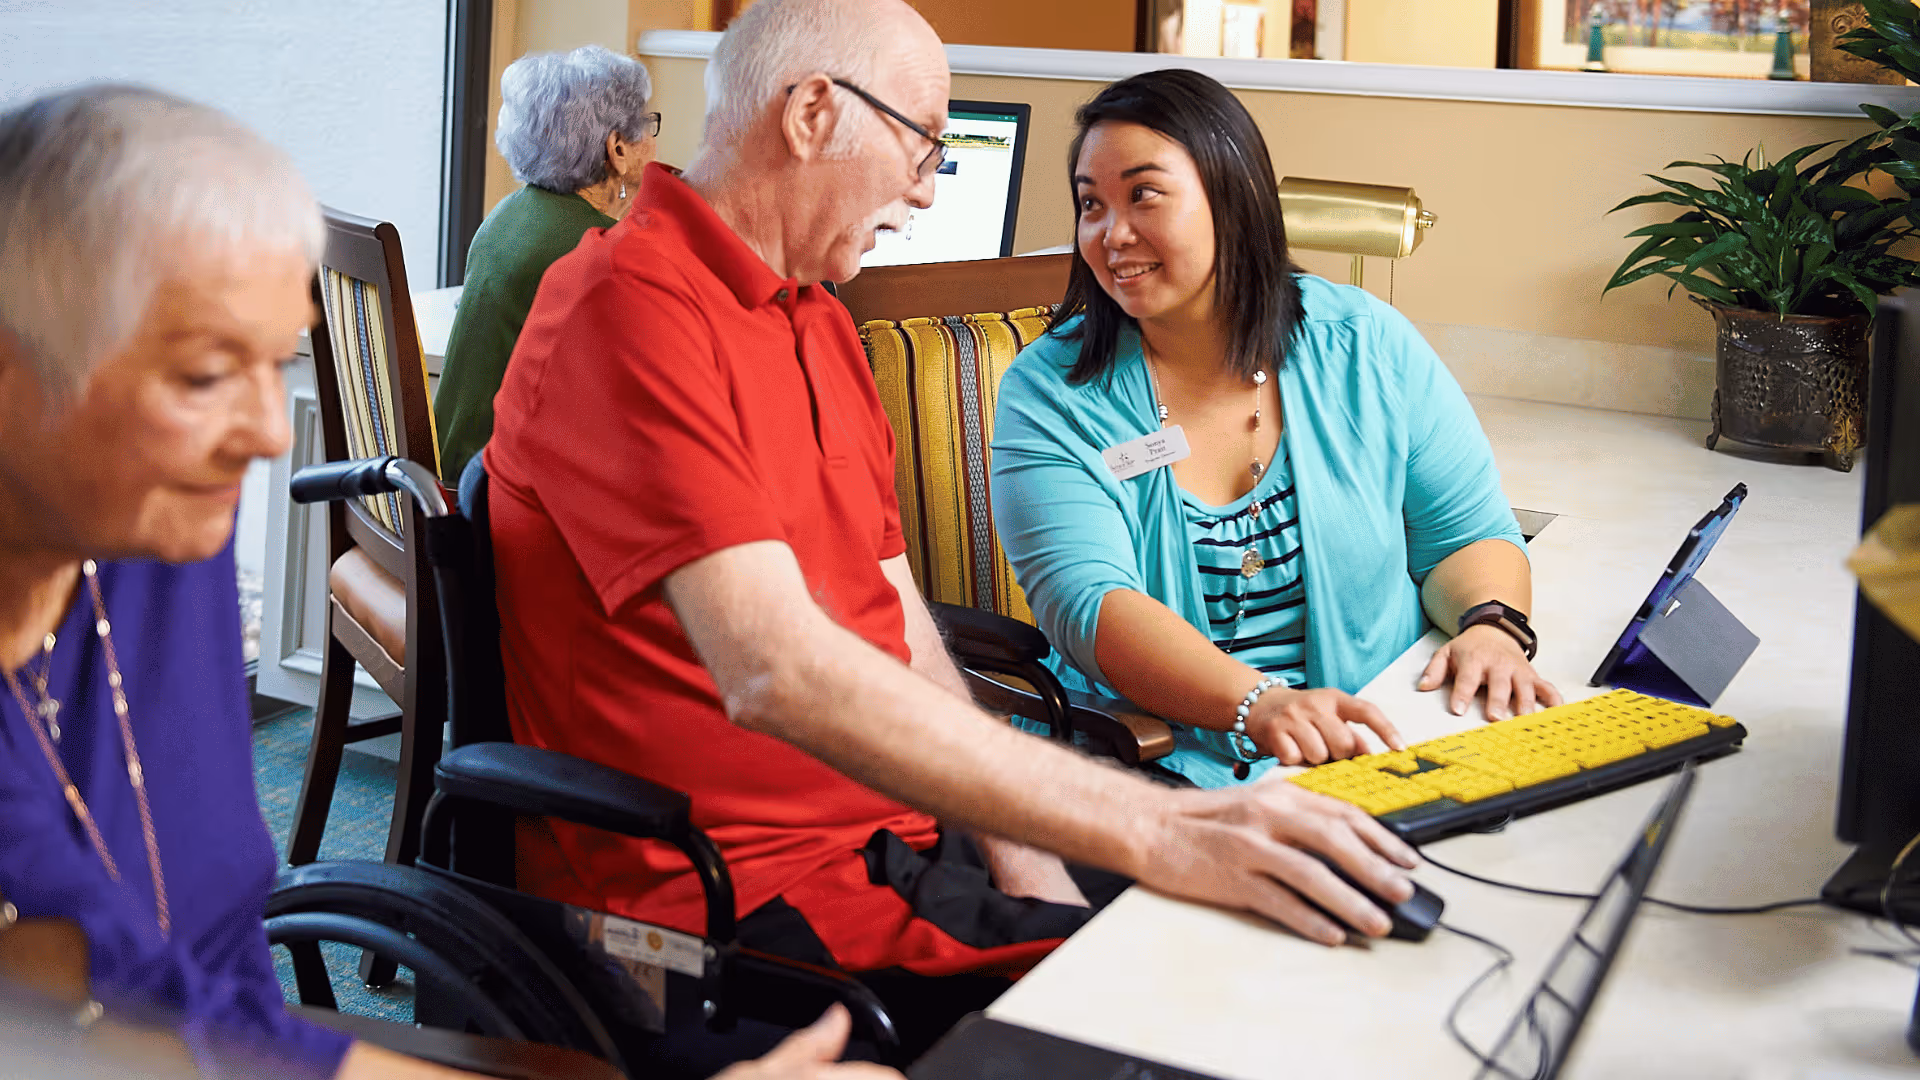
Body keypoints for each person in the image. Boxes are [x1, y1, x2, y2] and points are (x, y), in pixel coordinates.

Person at [485, 0, 1422, 1054]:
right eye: (924, 144)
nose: (928, 191)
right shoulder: (627, 306)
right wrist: (1164, 826)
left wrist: (1028, 860)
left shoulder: (817, 322)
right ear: (811, 115)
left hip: (896, 839)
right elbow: (775, 673)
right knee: (1210, 1013)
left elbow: (895, 618)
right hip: (720, 904)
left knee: (1287, 939)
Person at [0, 84, 894, 1080]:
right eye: (206, 375)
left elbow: (208, 1019)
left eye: (269, 363)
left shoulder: (148, 550)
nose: (264, 434)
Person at [988, 69, 1563, 791]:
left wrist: (1489, 626)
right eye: (1090, 205)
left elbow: (1464, 536)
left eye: (1143, 194)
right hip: (1154, 766)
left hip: (1373, 743)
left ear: (1232, 198)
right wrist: (1258, 704)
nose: (1112, 233)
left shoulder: (1365, 345)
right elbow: (1091, 606)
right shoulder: (1050, 393)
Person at [434, 45, 662, 480]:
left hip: (445, 474)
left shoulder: (506, 216)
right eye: (646, 127)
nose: (652, 142)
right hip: (494, 493)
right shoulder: (594, 249)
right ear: (617, 148)